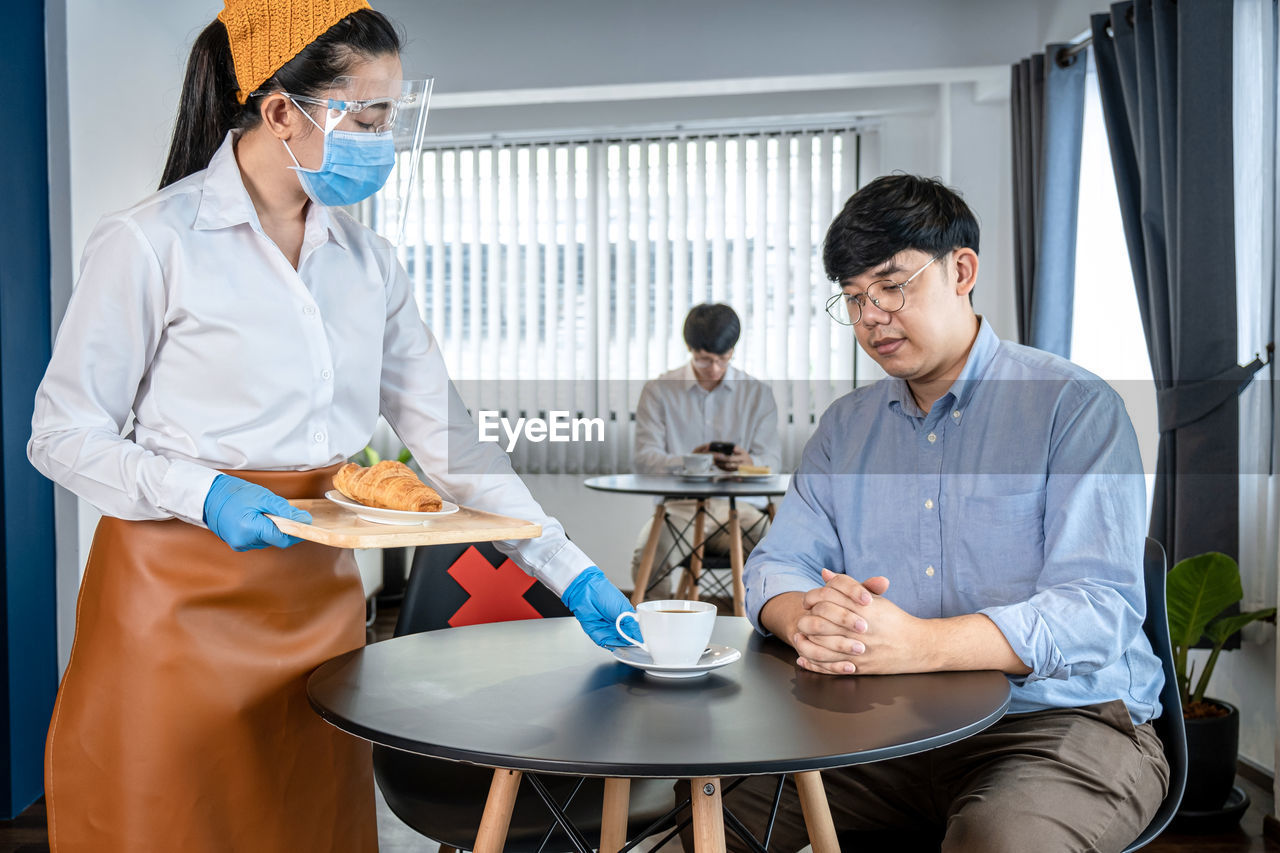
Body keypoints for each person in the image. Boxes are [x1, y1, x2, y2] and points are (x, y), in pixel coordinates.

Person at [27, 2, 632, 850]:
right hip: (171, 605)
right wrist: (202, 492)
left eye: (388, 118)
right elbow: (61, 433)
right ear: (282, 112)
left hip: (317, 604)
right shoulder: (150, 243)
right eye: (370, 117)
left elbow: (450, 443)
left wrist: (567, 569)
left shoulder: (368, 263)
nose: (382, 140)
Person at [692, 175, 1169, 852]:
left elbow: (1098, 607)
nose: (871, 317)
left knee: (998, 840)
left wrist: (920, 644)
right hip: (884, 723)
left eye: (891, 286)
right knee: (709, 819)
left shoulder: (1073, 406)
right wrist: (806, 617)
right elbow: (775, 565)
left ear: (962, 270)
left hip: (1059, 724)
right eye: (854, 298)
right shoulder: (843, 428)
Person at [630, 303, 780, 599]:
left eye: (723, 359)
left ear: (733, 351)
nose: (714, 369)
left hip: (742, 507)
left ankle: (768, 630)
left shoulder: (757, 393)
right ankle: (656, 636)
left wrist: (748, 462)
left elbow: (772, 462)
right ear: (690, 349)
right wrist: (692, 461)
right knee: (647, 557)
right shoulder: (659, 391)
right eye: (704, 360)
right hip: (679, 508)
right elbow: (644, 461)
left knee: (785, 553)